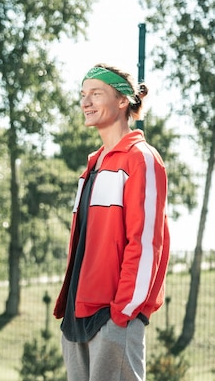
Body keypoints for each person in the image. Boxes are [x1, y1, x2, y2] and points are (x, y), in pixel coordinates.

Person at [53, 64, 170, 380]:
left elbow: (146, 243)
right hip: (77, 316)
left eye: (96, 93)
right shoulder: (92, 164)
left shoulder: (141, 158)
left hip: (113, 317)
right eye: (83, 94)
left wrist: (123, 313)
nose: (85, 102)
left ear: (122, 101)